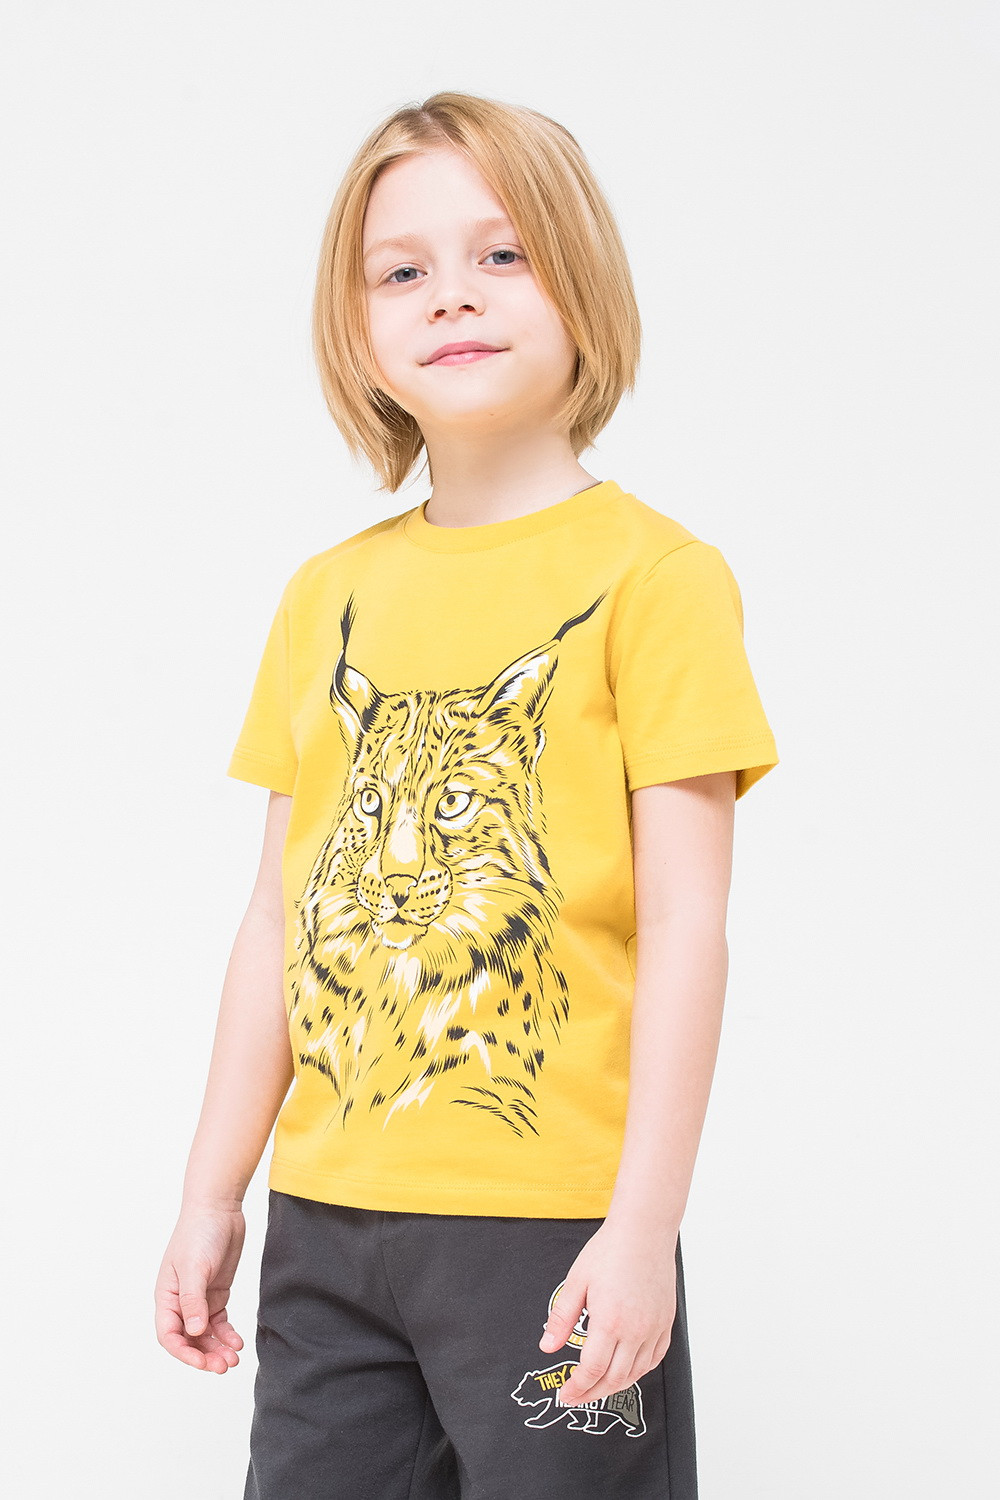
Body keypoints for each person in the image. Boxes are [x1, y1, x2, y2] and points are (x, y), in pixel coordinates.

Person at [154, 90, 779, 1500]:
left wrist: (642, 1227)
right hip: (326, 1222)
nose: (452, 294)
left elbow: (688, 927)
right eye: (403, 270)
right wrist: (212, 1190)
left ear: (583, 281)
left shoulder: (657, 579)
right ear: (358, 328)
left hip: (548, 1224)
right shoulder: (325, 596)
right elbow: (277, 918)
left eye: (503, 253)